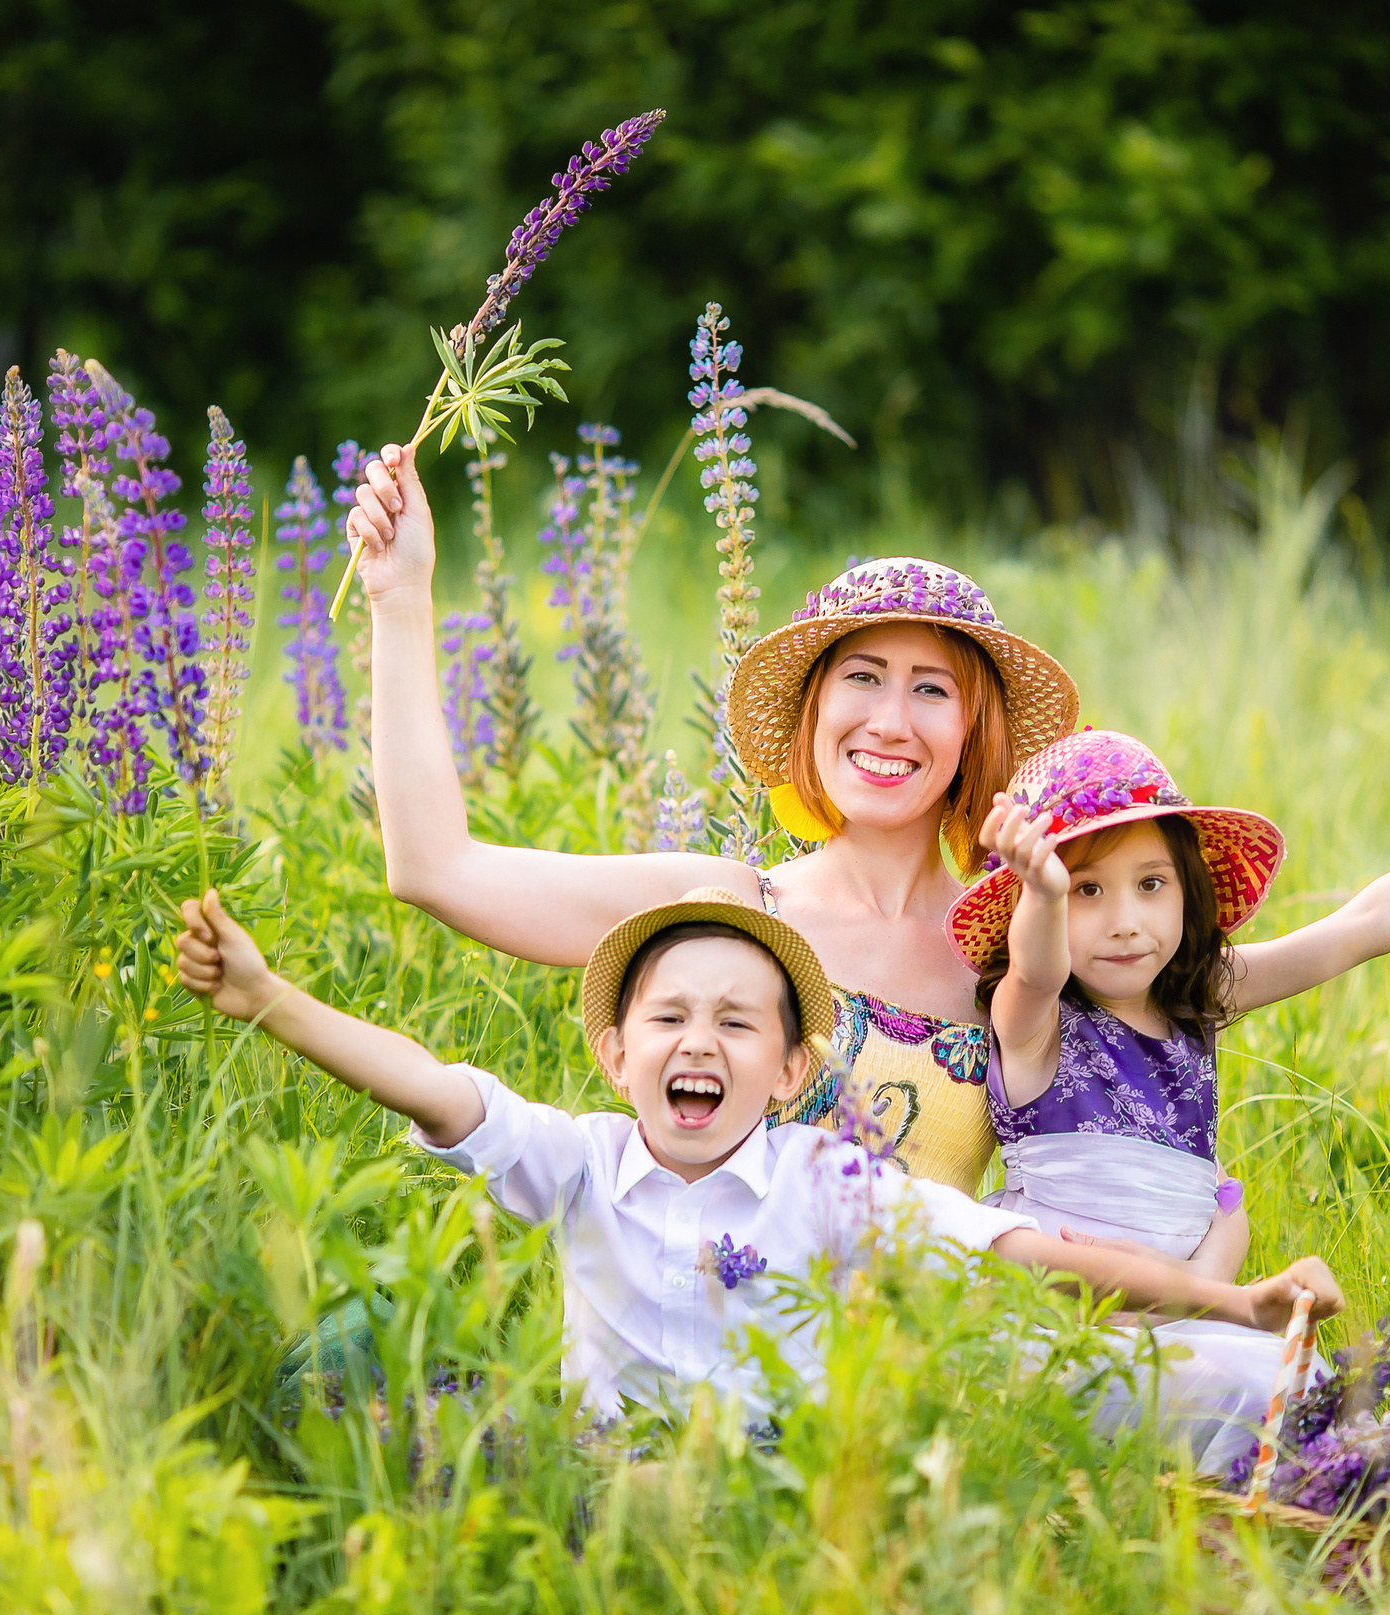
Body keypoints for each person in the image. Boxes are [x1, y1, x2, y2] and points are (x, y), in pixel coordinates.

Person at [169, 883, 1344, 1436]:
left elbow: (1029, 1250)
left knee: (1250, 1384)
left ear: (789, 1073)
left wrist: (1225, 1298)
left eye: (739, 1024)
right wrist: (272, 999)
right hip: (613, 1468)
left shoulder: (823, 1180)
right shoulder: (577, 1161)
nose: (700, 1041)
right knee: (372, 1375)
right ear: (615, 1052)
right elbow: (430, 1083)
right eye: (671, 1017)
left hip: (781, 1467)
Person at [345, 440, 1085, 1196]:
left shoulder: (1017, 949)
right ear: (814, 711)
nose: (891, 722)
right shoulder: (727, 908)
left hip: (925, 1314)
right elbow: (436, 869)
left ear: (974, 730)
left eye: (932, 690)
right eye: (863, 677)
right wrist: (400, 598)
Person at [951, 727, 1390, 1272]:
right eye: (1087, 890)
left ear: (1188, 890)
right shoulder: (1036, 1027)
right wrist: (1043, 892)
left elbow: (1363, 926)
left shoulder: (1191, 998)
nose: (1126, 919)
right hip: (1064, 1314)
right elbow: (1037, 972)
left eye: (1151, 883)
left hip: (1184, 1315)